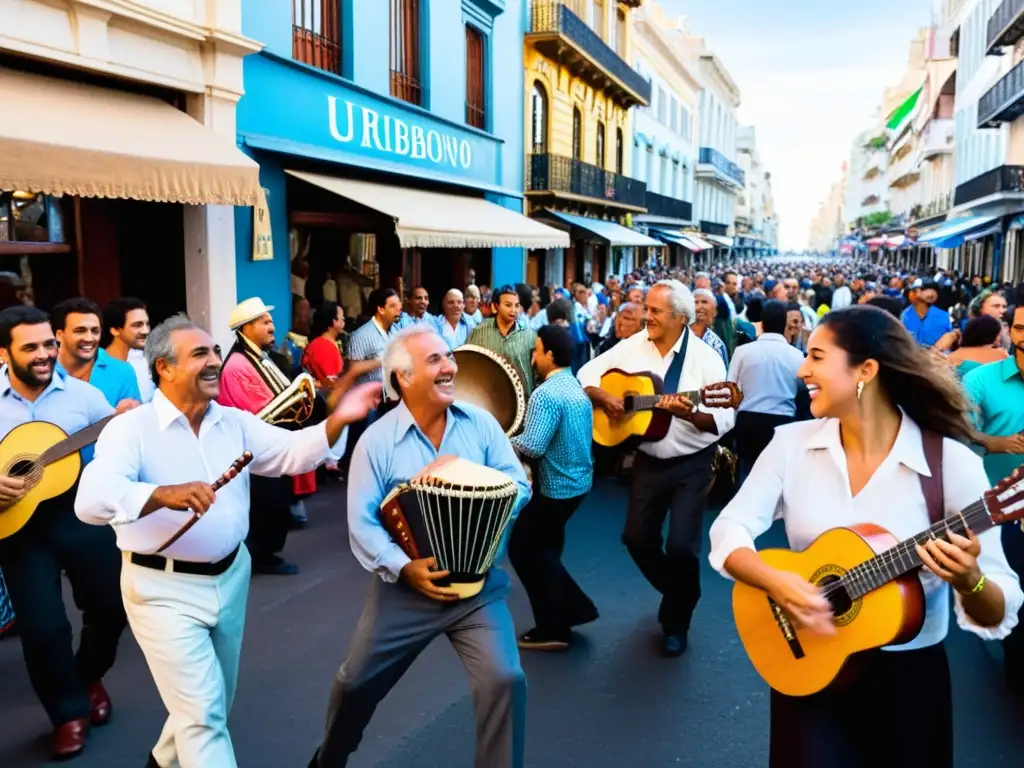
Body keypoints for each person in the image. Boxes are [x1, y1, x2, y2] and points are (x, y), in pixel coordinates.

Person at [708, 305, 1022, 768]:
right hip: (809, 667)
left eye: (816, 356)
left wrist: (969, 578)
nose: (802, 368)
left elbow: (998, 610)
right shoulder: (792, 445)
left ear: (866, 371)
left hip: (908, 684)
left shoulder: (951, 463)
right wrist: (776, 581)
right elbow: (729, 528)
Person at [75, 314, 381, 768]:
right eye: (200, 354)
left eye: (215, 351)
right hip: (162, 590)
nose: (216, 361)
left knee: (208, 703)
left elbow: (292, 453)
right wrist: (161, 494)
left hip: (231, 577)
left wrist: (339, 420)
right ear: (164, 367)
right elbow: (90, 501)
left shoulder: (235, 422)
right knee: (202, 715)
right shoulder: (130, 429)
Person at [309, 325, 531, 768]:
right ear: (403, 378)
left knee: (505, 679)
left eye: (448, 357)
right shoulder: (376, 442)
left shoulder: (482, 425)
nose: (450, 367)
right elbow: (362, 523)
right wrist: (403, 567)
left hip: (478, 589)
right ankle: (328, 761)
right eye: (435, 361)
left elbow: (520, 486)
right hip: (404, 591)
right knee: (353, 685)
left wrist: (466, 470)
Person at [578, 280, 736, 656]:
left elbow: (724, 418)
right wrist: (605, 397)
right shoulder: (633, 346)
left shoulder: (705, 358)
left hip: (692, 464)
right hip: (648, 460)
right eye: (646, 308)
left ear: (680, 318)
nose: (646, 316)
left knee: (682, 546)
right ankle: (683, 592)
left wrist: (692, 412)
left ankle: (676, 621)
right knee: (635, 538)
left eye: (655, 311)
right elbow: (587, 373)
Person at [0, 305, 126, 759]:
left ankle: (87, 676)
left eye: (48, 344)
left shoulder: (85, 398)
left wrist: (131, 421)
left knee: (112, 607)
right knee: (42, 628)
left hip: (80, 513)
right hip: (16, 527)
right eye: (29, 346)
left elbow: (120, 445)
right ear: (3, 352)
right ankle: (69, 712)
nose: (43, 354)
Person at [509, 324, 596, 650]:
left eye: (536, 350)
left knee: (524, 549)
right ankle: (567, 613)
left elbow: (532, 446)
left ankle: (555, 625)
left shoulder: (546, 394)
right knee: (547, 549)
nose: (533, 356)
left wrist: (502, 440)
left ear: (549, 354)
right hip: (578, 484)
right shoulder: (575, 386)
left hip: (555, 488)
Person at [217, 297, 312, 573]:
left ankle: (265, 554)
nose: (272, 327)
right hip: (255, 448)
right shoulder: (238, 366)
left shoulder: (261, 359)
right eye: (265, 322)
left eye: (270, 321)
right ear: (246, 328)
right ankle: (261, 557)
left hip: (270, 444)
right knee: (265, 504)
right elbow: (264, 407)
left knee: (273, 501)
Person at [962, 295, 1024, 694]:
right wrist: (991, 442)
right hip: (1003, 514)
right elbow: (957, 432)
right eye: (1020, 328)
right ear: (1010, 332)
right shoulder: (981, 381)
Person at [52, 297, 141, 415]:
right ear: (59, 335)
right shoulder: (43, 370)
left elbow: (135, 424)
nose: (89, 338)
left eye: (95, 331)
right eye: (80, 331)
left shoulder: (122, 371)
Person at [467, 284, 536, 399]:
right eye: (508, 305)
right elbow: (469, 366)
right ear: (495, 307)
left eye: (517, 305)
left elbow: (537, 375)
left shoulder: (530, 337)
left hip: (522, 405)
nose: (513, 310)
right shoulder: (478, 333)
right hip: (487, 403)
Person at [103, 296, 155, 403]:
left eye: (147, 324)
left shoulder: (148, 362)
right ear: (115, 330)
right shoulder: (97, 366)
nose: (146, 331)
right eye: (137, 325)